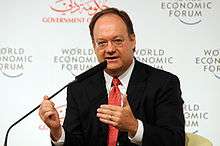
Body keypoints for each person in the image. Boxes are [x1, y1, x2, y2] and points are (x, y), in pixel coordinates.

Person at [39, 7, 185, 146]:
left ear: (132, 40)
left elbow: (175, 140)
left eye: (117, 41)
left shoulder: (164, 83)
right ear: (94, 46)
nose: (109, 49)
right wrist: (58, 132)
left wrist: (135, 127)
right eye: (102, 43)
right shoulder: (79, 88)